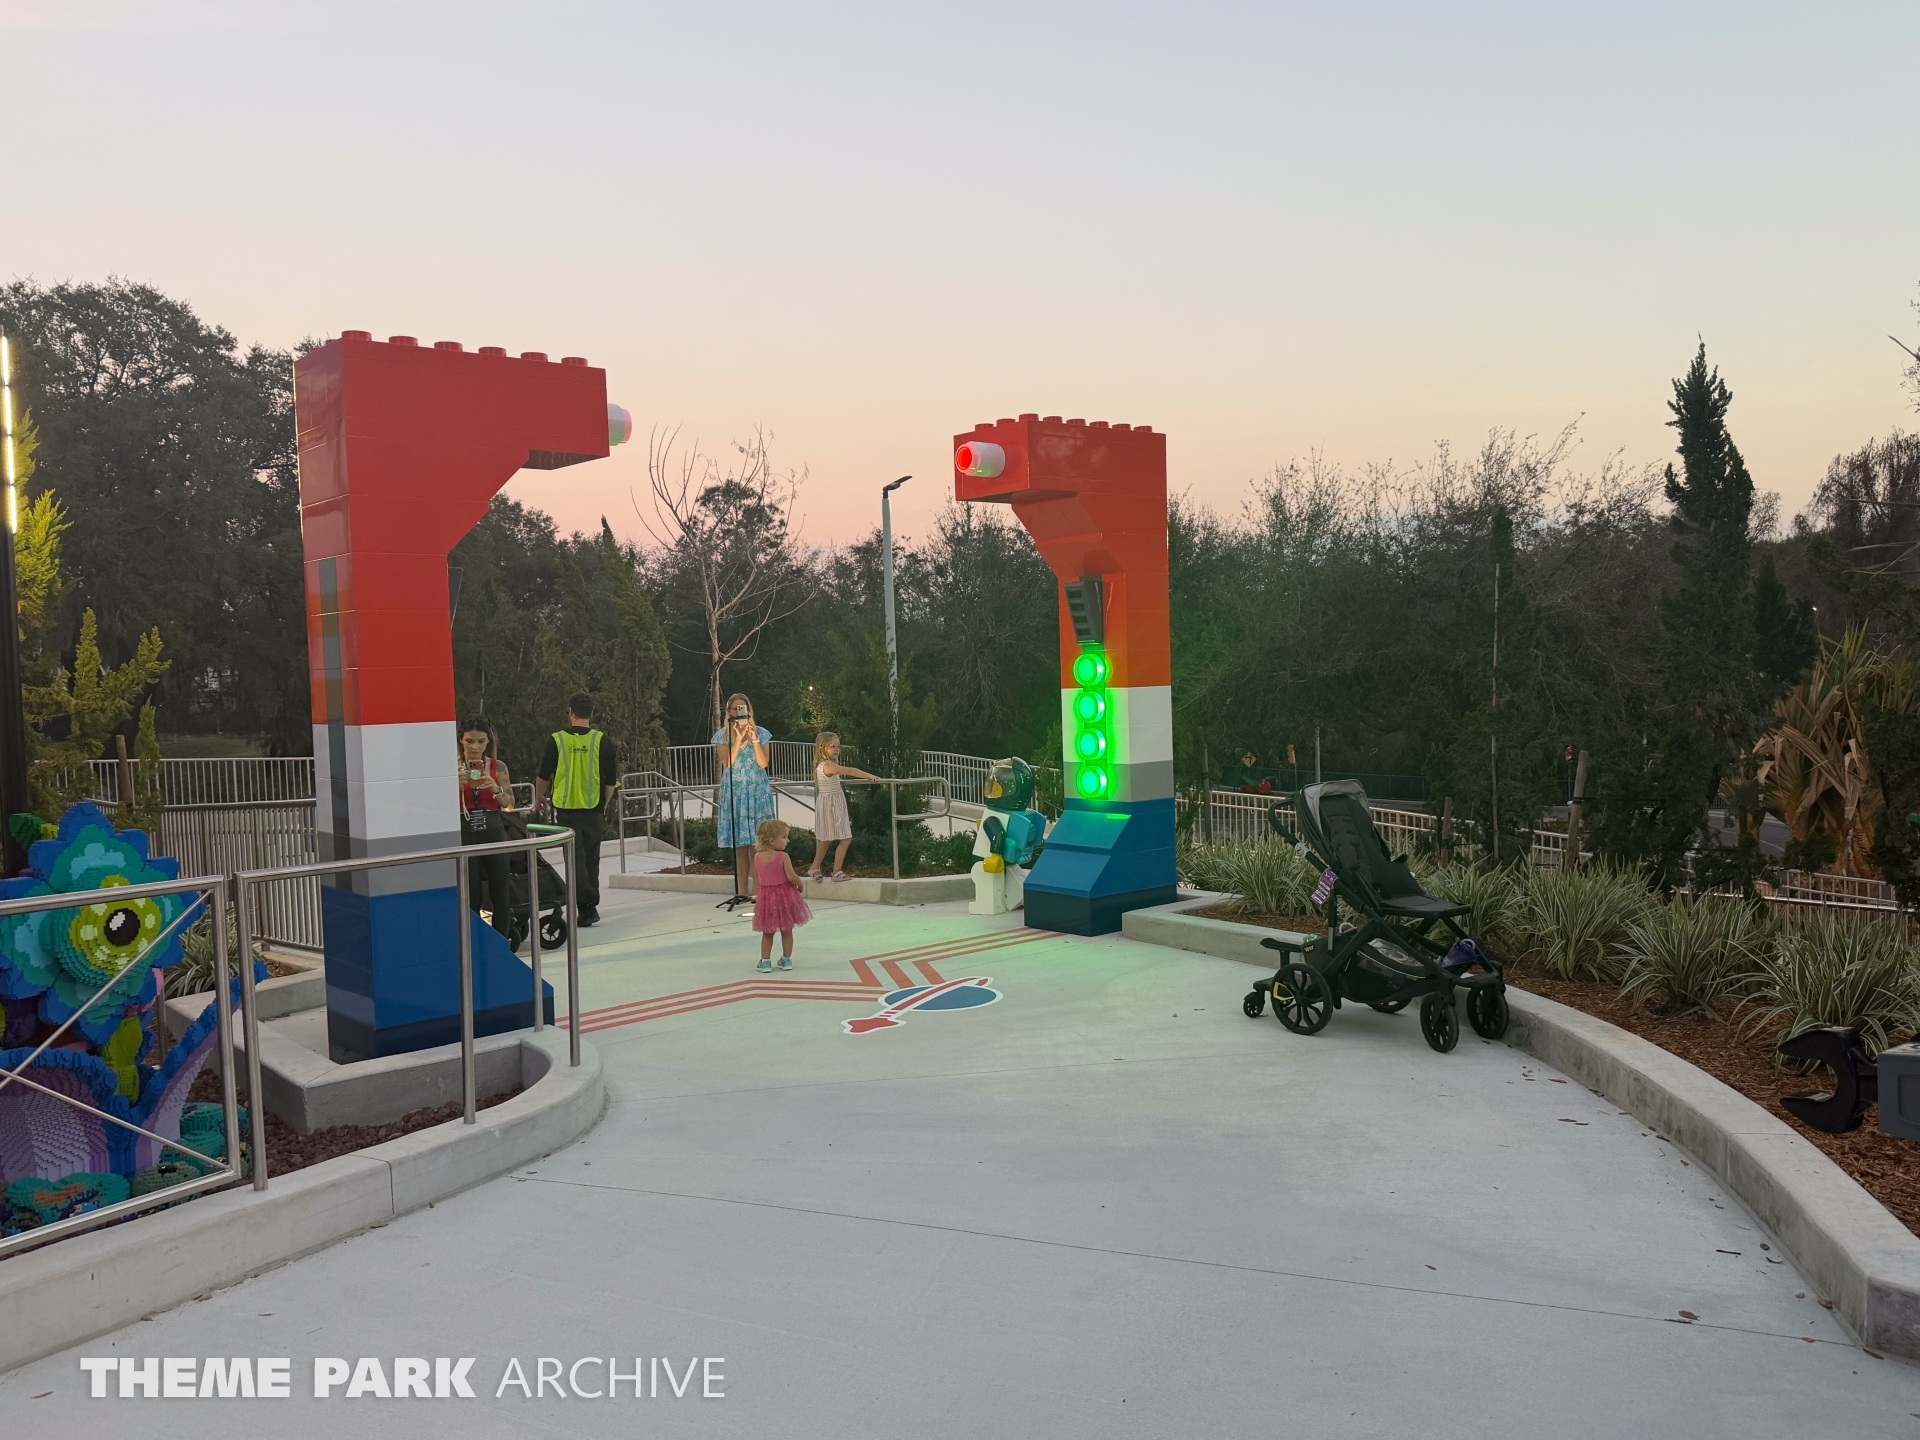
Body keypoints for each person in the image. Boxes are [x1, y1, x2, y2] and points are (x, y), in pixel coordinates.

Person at [535, 692, 618, 928]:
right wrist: (604, 803)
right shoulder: (602, 741)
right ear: (591, 714)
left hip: (566, 809)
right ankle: (589, 905)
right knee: (591, 858)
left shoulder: (557, 740)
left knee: (574, 859)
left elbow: (544, 773)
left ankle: (586, 905)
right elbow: (610, 779)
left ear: (570, 712)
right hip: (593, 808)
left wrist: (538, 797)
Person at [712, 693, 776, 900]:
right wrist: (738, 738)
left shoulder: (762, 733)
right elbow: (727, 762)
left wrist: (754, 739)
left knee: (757, 844)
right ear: (729, 712)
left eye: (743, 708)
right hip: (736, 793)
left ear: (749, 710)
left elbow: (763, 762)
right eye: (735, 708)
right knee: (740, 845)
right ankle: (741, 891)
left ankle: (758, 892)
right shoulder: (722, 736)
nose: (739, 711)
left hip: (757, 792)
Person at [458, 717, 516, 938]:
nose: (475, 747)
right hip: (465, 829)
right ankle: (472, 941)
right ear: (461, 740)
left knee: (500, 890)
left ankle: (501, 940)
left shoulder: (497, 767)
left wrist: (495, 789)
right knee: (471, 893)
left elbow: (510, 804)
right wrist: (452, 785)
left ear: (488, 741)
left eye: (481, 742)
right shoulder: (452, 766)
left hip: (492, 827)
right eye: (469, 741)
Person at [807, 731, 877, 882]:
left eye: (838, 747)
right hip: (831, 805)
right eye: (832, 746)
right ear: (822, 748)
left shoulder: (823, 765)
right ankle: (836, 871)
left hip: (830, 803)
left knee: (827, 838)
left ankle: (814, 867)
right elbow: (850, 770)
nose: (836, 749)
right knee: (845, 838)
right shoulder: (828, 766)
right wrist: (869, 776)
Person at [751, 818, 810, 971]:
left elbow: (758, 877)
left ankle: (765, 962)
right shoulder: (782, 857)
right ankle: (786, 960)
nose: (787, 840)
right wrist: (800, 883)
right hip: (784, 897)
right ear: (772, 840)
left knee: (767, 932)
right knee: (787, 930)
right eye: (784, 837)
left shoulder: (757, 857)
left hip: (766, 898)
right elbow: (791, 876)